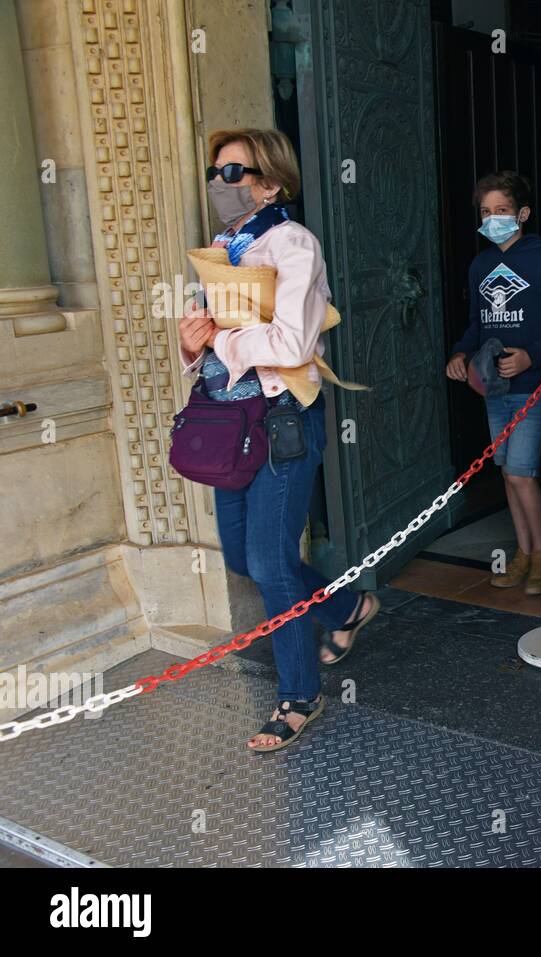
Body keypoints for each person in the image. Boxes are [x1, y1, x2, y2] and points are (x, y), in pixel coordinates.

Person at [178, 129, 379, 753]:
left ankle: (299, 695)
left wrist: (219, 338)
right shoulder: (223, 247)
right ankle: (344, 608)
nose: (220, 183)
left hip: (281, 421)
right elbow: (213, 343)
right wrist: (192, 345)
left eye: (233, 173)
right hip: (227, 422)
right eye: (215, 172)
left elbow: (291, 344)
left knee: (269, 562)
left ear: (270, 184)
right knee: (244, 559)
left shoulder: (293, 244)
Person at [445, 171, 541, 594]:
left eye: (502, 210)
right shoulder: (480, 265)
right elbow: (476, 325)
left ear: (523, 213)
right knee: (506, 472)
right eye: (486, 211)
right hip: (494, 389)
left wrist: (531, 356)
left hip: (534, 385)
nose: (493, 218)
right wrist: (460, 354)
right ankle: (523, 553)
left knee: (520, 471)